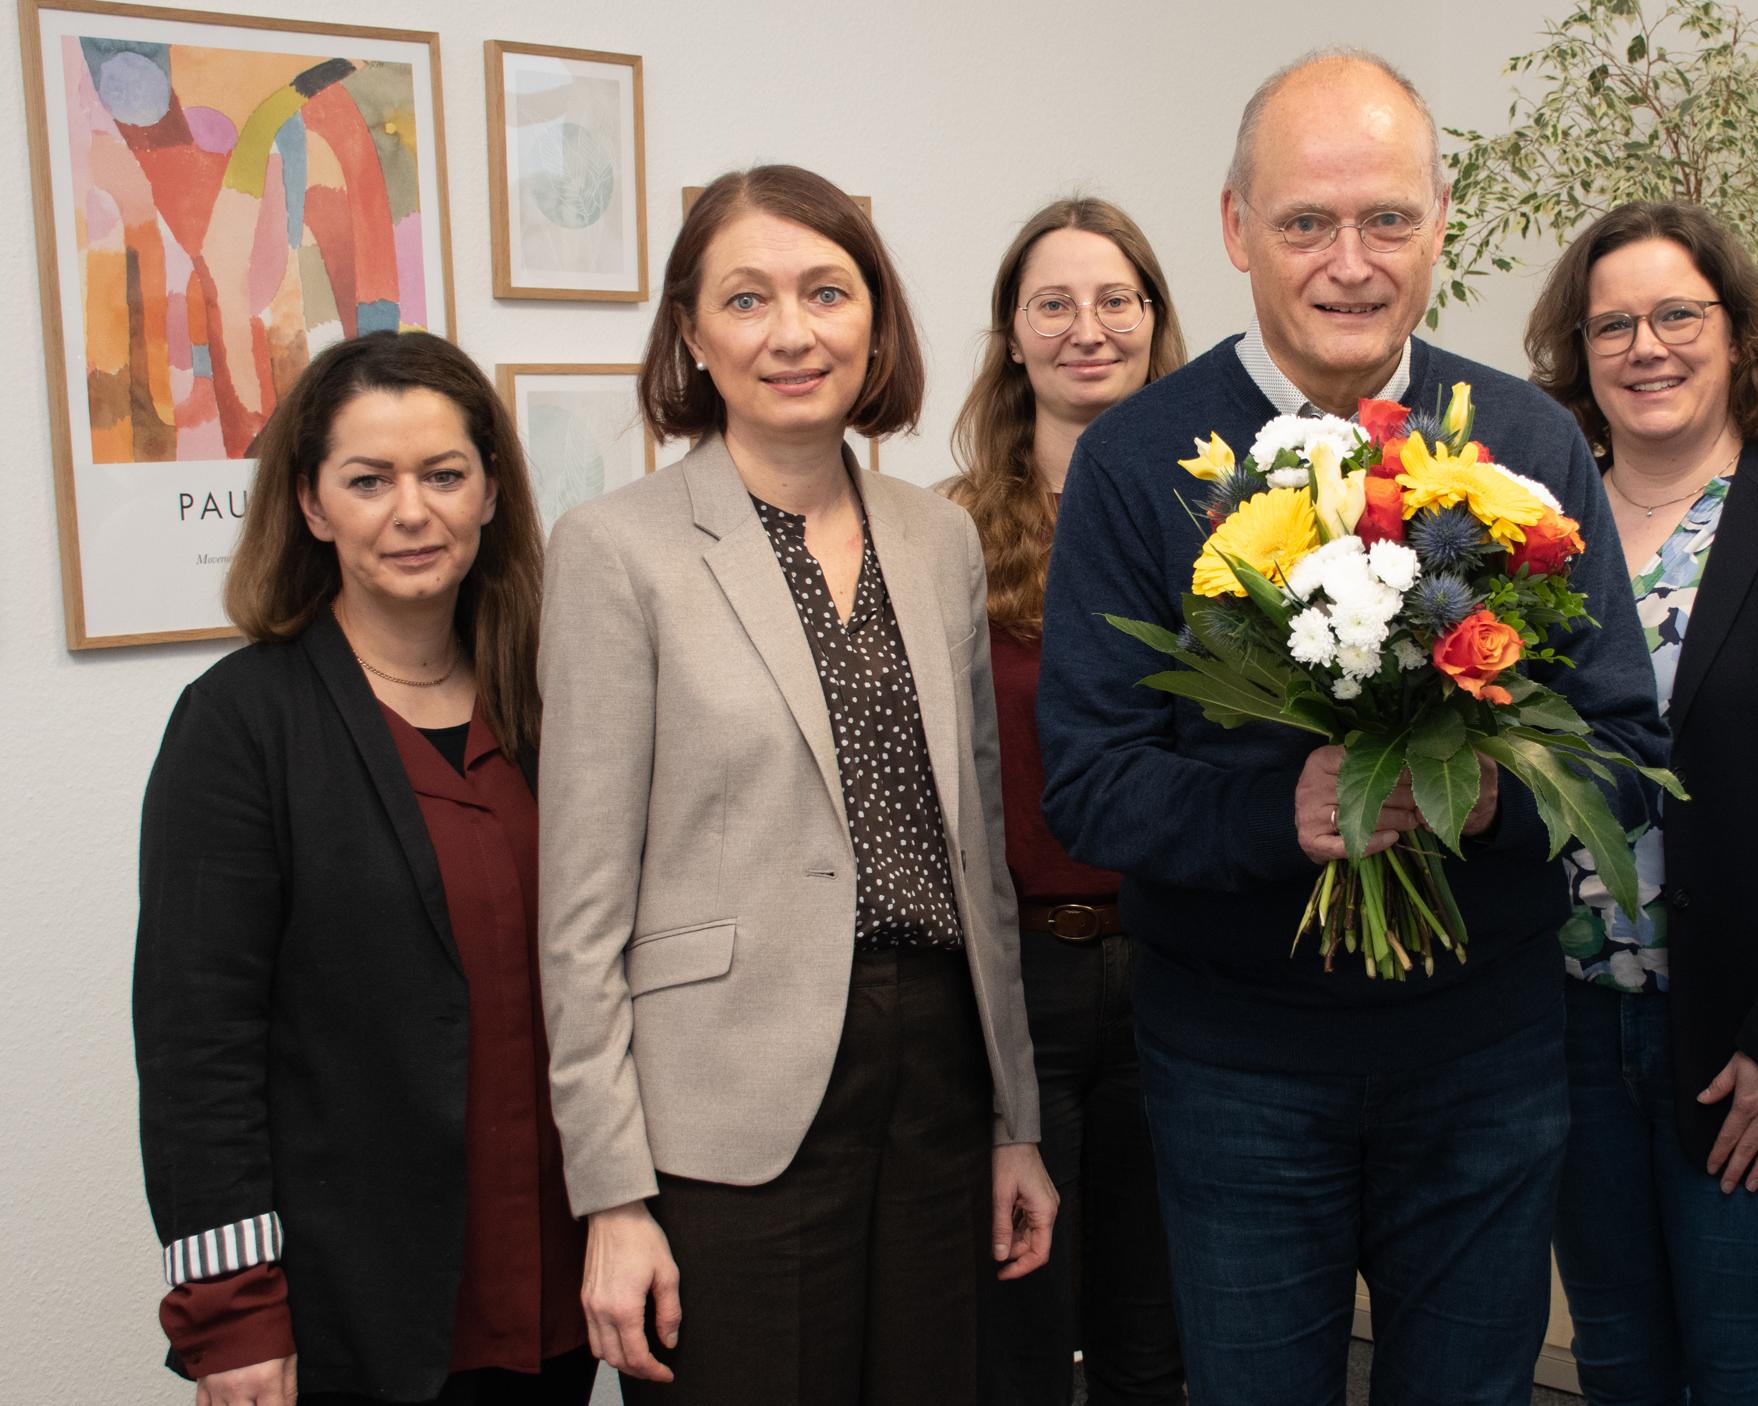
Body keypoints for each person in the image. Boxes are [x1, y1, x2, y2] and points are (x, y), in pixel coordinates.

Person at [1037, 51, 1673, 1406]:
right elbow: (1087, 786)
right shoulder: (1138, 460)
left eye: (1388, 218)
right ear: (1234, 230)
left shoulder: (1528, 444)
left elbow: (1622, 742)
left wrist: (1498, 792)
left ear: (1440, 219)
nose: (1351, 261)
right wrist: (1288, 812)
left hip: (1488, 1059)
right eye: (1306, 223)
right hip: (1236, 1071)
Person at [536, 164, 1053, 1405]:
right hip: (730, 1102)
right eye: (748, 297)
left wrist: (1014, 1117)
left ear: (875, 322)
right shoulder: (618, 549)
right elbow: (582, 905)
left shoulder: (938, 539)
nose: (792, 331)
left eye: (827, 292)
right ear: (692, 333)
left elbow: (977, 849)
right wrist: (610, 1193)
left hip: (936, 1075)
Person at [135, 331, 591, 1405]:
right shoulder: (241, 724)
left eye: (443, 474)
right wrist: (232, 1315)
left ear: (489, 492)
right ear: (310, 503)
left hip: (562, 1284)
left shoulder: (551, 701)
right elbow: (199, 1047)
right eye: (369, 479)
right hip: (358, 1304)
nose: (412, 511)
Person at [1524, 201, 1758, 1404]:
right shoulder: (1526, 534)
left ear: (1736, 333)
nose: (1646, 346)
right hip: (1563, 1027)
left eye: (1677, 313)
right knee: (1618, 1357)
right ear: (1578, 354)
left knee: (1740, 1366)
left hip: (1749, 1039)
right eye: (1612, 324)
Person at [945, 197, 1189, 1406]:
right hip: (1017, 977)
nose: (1087, 328)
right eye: (1053, 302)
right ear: (1012, 333)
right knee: (1019, 1332)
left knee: (1160, 1329)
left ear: (1154, 320)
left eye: (1116, 299)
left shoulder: (1238, 518)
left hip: (1183, 961)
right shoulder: (944, 539)